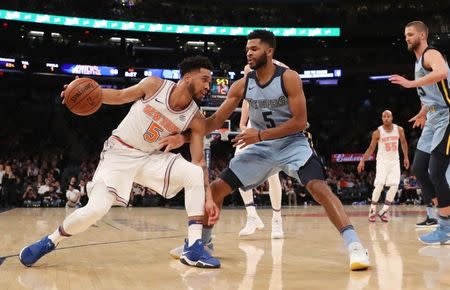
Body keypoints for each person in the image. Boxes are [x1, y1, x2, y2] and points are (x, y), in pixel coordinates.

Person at [168, 30, 370, 270]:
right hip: (262, 147)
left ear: (269, 51)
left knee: (319, 188)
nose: (248, 53)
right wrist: (185, 135)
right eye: (247, 50)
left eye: (254, 49)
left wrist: (259, 135)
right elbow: (214, 121)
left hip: (293, 142)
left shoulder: (289, 78)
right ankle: (203, 243)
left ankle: (355, 245)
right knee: (216, 189)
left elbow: (300, 121)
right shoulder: (242, 85)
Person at [19, 56, 220, 268]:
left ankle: (194, 248)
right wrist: (84, 91)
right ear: (188, 77)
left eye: (209, 81)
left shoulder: (195, 118)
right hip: (119, 153)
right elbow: (121, 95)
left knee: (194, 173)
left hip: (149, 158)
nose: (208, 86)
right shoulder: (155, 85)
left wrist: (207, 197)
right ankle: (50, 241)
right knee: (95, 210)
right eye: (205, 79)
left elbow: (199, 161)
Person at [389, 21, 450, 244]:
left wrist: (410, 83)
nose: (407, 37)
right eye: (405, 35)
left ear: (422, 35)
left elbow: (443, 73)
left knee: (437, 171)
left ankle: (445, 227)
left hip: (447, 116)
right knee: (419, 170)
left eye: (411, 34)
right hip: (433, 116)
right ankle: (441, 213)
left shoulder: (431, 53)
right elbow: (432, 92)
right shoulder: (417, 61)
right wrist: (423, 110)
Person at [235, 62, 285, 238]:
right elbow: (247, 98)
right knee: (237, 169)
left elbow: (292, 74)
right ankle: (252, 216)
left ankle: (277, 219)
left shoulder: (278, 72)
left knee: (273, 176)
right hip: (252, 127)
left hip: (272, 128)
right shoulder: (249, 70)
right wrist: (242, 123)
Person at [357, 110, 409, 222]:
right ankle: (372, 209)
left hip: (395, 161)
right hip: (382, 162)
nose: (386, 118)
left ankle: (384, 211)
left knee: (395, 185)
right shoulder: (377, 132)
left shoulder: (399, 130)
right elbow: (371, 148)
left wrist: (406, 157)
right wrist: (362, 160)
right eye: (384, 116)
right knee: (380, 184)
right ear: (382, 118)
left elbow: (404, 143)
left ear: (392, 117)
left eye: (388, 116)